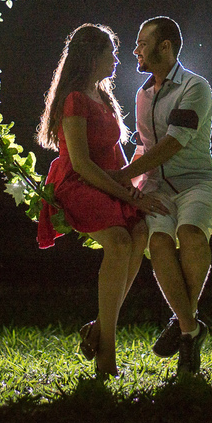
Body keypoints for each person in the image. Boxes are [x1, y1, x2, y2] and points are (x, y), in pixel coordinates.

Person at [36, 23, 168, 376]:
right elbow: (80, 163)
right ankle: (106, 354)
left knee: (139, 233)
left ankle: (97, 327)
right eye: (110, 52)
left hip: (109, 180)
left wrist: (133, 191)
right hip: (79, 183)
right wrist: (125, 193)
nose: (116, 60)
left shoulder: (104, 96)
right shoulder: (75, 99)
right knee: (119, 239)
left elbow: (115, 153)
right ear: (92, 56)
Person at [112, 16, 212, 375]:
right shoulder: (143, 94)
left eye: (143, 44)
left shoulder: (196, 87)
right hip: (157, 187)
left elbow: (174, 143)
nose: (136, 51)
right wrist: (128, 184)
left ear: (166, 47)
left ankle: (181, 324)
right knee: (159, 243)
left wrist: (119, 176)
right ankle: (190, 329)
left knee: (190, 234)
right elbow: (146, 148)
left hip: (197, 182)